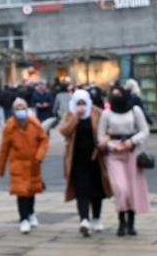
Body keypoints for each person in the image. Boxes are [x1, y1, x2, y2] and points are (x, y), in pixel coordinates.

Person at [99, 86, 151, 237]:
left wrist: (131, 142)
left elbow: (144, 130)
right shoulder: (106, 113)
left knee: (133, 188)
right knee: (121, 188)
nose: (116, 97)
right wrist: (111, 146)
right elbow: (100, 136)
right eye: (113, 95)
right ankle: (121, 219)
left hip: (132, 152)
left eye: (119, 94)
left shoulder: (135, 110)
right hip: (114, 154)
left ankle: (131, 222)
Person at [59, 89, 112, 237]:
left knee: (96, 189)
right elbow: (64, 131)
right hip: (77, 158)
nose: (81, 105)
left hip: (96, 158)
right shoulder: (70, 113)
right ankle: (84, 220)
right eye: (78, 103)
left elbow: (108, 129)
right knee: (81, 190)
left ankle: (96, 218)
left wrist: (105, 140)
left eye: (84, 102)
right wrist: (76, 117)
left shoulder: (97, 113)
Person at [0, 97, 49, 234]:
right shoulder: (10, 126)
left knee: (31, 191)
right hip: (17, 163)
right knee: (21, 192)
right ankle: (23, 219)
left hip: (33, 163)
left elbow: (43, 140)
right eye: (17, 108)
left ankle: (31, 213)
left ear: (27, 109)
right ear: (13, 110)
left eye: (22, 108)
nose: (20, 110)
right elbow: (4, 147)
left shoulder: (35, 124)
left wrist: (39, 155)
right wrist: (1, 166)